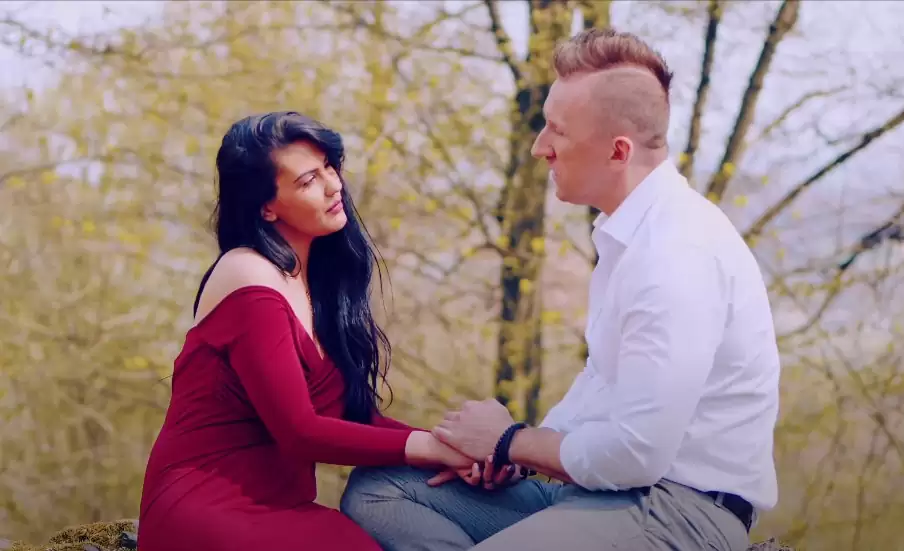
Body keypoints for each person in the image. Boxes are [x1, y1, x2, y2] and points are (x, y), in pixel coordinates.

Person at [340, 28, 781, 551]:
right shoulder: (628, 236)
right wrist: (510, 457)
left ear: (618, 152)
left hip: (678, 513)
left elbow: (637, 454)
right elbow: (601, 382)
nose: (539, 147)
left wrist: (510, 440)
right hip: (601, 498)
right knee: (380, 489)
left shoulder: (676, 255)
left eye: (558, 131)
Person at [137, 112, 476, 551]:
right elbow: (300, 431)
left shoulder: (315, 281)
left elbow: (353, 417)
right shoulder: (248, 275)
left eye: (329, 167)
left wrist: (455, 449)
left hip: (282, 505)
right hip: (204, 508)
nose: (334, 186)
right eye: (308, 180)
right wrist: (429, 449)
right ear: (266, 206)